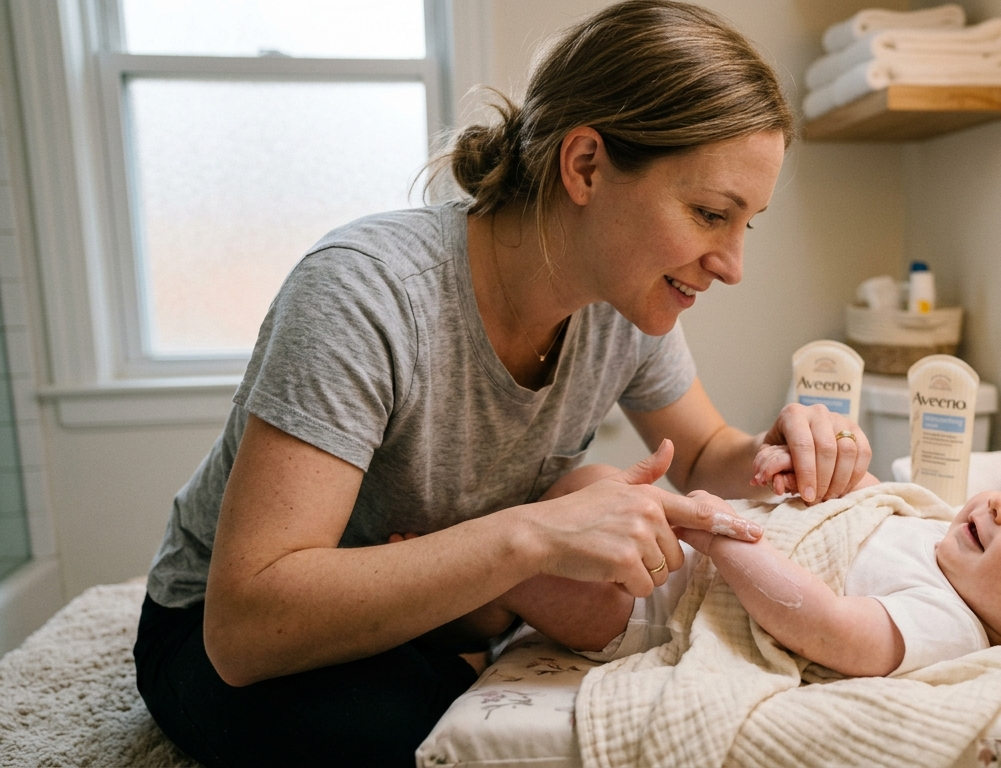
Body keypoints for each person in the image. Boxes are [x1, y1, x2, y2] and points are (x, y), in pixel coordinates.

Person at [131, 3, 876, 767]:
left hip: (430, 611)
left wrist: (773, 450)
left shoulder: (620, 306)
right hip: (219, 633)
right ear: (585, 164)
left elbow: (708, 449)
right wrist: (532, 535)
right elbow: (246, 627)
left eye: (744, 223)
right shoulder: (367, 293)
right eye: (709, 213)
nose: (731, 264)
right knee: (430, 740)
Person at [479, 457, 1001, 674]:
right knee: (588, 480)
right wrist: (803, 475)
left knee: (554, 578)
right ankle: (480, 580)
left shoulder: (950, 624)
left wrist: (722, 536)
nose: (996, 505)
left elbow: (829, 627)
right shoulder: (934, 532)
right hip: (676, 549)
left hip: (653, 604)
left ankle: (466, 575)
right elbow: (857, 511)